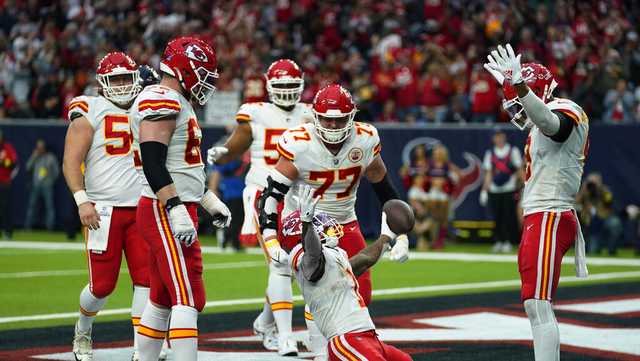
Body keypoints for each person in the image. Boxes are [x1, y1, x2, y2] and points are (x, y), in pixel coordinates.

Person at [257, 83, 409, 359]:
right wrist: (269, 236)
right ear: (315, 116)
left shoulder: (365, 140)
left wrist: (401, 235)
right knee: (323, 287)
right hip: (303, 221)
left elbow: (385, 190)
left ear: (352, 116)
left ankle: (339, 344)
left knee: (361, 291)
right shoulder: (299, 144)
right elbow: (270, 194)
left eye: (339, 119)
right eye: (327, 118)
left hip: (344, 219)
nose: (333, 124)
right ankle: (321, 350)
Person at [485, 44, 589, 361]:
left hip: (551, 214)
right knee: (535, 304)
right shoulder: (542, 116)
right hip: (543, 215)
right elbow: (540, 121)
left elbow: (554, 127)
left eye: (519, 100)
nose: (515, 109)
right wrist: (510, 85)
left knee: (538, 304)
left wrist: (520, 86)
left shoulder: (565, 108)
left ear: (537, 90)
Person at [130, 36, 231, 361]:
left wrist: (206, 199)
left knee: (161, 296)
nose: (205, 80)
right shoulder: (163, 98)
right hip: (163, 208)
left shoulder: (176, 100)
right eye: (201, 71)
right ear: (183, 68)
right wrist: (174, 208)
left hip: (174, 204)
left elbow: (182, 166)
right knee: (188, 296)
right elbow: (153, 162)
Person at [206, 59, 313, 355]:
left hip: (297, 195)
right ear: (269, 87)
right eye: (282, 86)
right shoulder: (256, 112)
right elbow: (236, 146)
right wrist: (223, 153)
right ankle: (285, 335)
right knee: (280, 263)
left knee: (296, 266)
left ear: (302, 85)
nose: (288, 92)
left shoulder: (310, 114)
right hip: (262, 192)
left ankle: (265, 323)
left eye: (293, 86)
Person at [62, 52, 149, 361]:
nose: (123, 85)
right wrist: (82, 200)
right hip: (104, 210)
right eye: (116, 79)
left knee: (147, 281)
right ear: (102, 84)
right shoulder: (91, 109)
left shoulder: (147, 105)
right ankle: (83, 329)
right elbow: (71, 161)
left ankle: (144, 346)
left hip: (142, 208)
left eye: (128, 78)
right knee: (102, 286)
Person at [285, 185, 413, 361]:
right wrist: (307, 222)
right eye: (318, 222)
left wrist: (386, 236)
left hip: (369, 338)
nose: (327, 224)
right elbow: (313, 252)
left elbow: (364, 258)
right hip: (346, 339)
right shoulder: (306, 261)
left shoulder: (334, 256)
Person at [480, 129, 523, 253]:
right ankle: (498, 241)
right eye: (496, 137)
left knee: (508, 216)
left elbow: (519, 169)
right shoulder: (490, 153)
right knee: (496, 216)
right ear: (493, 139)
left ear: (504, 137)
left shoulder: (512, 151)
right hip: (494, 189)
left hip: (508, 189)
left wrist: (526, 184)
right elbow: (488, 173)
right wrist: (484, 190)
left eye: (501, 136)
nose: (499, 139)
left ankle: (508, 241)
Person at [25, 139, 59, 230]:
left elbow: (56, 172)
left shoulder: (50, 157)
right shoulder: (35, 157)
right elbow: (27, 167)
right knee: (32, 206)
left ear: (44, 148)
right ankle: (28, 226)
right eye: (38, 147)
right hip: (36, 185)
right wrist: (33, 156)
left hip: (47, 185)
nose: (40, 149)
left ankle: (50, 227)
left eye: (41, 147)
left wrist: (50, 181)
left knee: (49, 207)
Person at [0, 130, 18, 239]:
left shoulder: (7, 147)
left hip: (4, 182)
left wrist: (2, 162)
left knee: (5, 208)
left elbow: (12, 164)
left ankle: (7, 231)